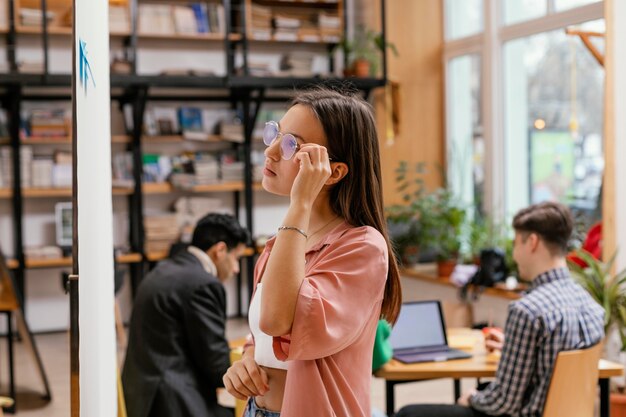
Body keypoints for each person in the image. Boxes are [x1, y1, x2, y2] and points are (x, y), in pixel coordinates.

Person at [222, 86, 402, 417]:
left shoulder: (362, 246)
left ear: (333, 172)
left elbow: (278, 321)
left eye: (292, 145)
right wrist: (247, 361)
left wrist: (301, 201)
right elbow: (262, 334)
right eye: (275, 134)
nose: (271, 152)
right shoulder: (285, 241)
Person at [396, 201, 605, 417]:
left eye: (516, 244)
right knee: (485, 387)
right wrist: (513, 347)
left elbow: (504, 403)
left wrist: (471, 398)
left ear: (532, 242)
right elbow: (555, 370)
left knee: (408, 413)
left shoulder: (528, 310)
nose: (514, 255)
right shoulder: (591, 307)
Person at [122, 213, 250, 417]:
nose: (235, 269)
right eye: (236, 258)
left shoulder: (164, 269)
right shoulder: (203, 284)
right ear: (220, 250)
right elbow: (216, 365)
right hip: (171, 402)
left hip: (142, 395)